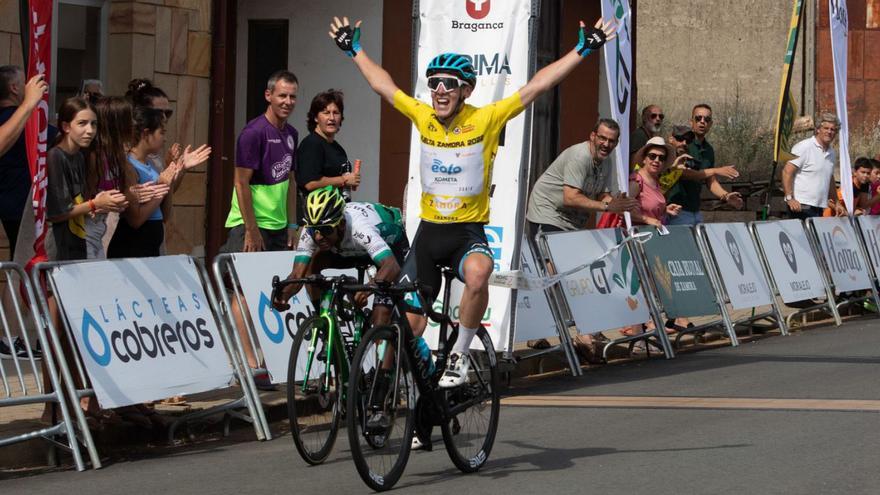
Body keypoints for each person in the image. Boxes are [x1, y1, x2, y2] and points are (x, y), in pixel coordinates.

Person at [330, 15, 616, 386]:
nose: (440, 90)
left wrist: (582, 49)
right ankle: (390, 396)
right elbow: (383, 86)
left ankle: (460, 355)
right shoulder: (423, 116)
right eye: (434, 84)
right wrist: (354, 49)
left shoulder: (486, 118)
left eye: (449, 84)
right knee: (409, 330)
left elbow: (537, 87)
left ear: (465, 90)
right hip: (429, 235)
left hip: (466, 232)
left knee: (479, 273)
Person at [525, 118, 638, 363]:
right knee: (553, 274)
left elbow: (604, 194)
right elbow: (571, 197)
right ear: (592, 136)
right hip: (548, 213)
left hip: (572, 221)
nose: (606, 144)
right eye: (603, 138)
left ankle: (587, 332)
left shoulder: (604, 162)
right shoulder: (580, 156)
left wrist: (615, 203)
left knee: (581, 274)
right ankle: (543, 332)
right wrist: (605, 206)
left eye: (611, 141)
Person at [273, 186, 408, 326]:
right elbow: (297, 275)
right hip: (348, 248)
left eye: (325, 230)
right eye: (314, 230)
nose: (318, 237)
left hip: (390, 247)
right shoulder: (311, 230)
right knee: (310, 269)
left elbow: (391, 266)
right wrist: (283, 296)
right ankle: (324, 324)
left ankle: (409, 343)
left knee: (381, 316)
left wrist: (367, 290)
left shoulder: (360, 227)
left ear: (341, 224)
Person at [107, 107, 210, 258]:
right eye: (162, 132)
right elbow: (135, 220)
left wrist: (176, 171)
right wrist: (162, 186)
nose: (165, 139)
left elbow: (165, 214)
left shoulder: (152, 165)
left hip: (152, 243)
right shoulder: (129, 166)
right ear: (146, 134)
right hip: (132, 246)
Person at [222, 70, 299, 253]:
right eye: (282, 95)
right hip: (251, 226)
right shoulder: (253, 133)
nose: (288, 102)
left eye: (292, 97)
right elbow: (241, 183)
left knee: (280, 281)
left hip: (279, 228)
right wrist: (251, 229)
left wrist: (292, 225)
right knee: (247, 282)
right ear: (268, 95)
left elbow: (291, 182)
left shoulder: (292, 134)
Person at [666, 104, 744, 226]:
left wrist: (726, 195)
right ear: (691, 121)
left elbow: (710, 180)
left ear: (711, 124)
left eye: (706, 119)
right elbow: (683, 174)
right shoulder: (683, 144)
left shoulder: (709, 150)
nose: (702, 122)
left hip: (696, 210)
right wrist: (716, 170)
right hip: (677, 209)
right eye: (698, 118)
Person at [0, 66, 48, 258]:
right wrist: (29, 104)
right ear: (14, 88)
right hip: (19, 207)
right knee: (24, 262)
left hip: (14, 205)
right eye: (25, 83)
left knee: (19, 266)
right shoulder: (18, 118)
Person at [295, 89, 361, 221]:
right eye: (326, 113)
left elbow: (340, 181)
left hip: (336, 219)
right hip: (315, 223)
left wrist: (351, 181)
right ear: (315, 117)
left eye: (336, 113)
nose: (331, 118)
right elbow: (310, 183)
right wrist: (344, 180)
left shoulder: (338, 148)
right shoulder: (312, 144)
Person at [781, 113, 840, 219]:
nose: (829, 132)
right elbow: (787, 171)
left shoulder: (832, 153)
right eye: (826, 128)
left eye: (833, 129)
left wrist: (836, 202)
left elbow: (829, 177)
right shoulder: (804, 147)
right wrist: (789, 198)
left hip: (819, 206)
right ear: (818, 129)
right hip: (801, 206)